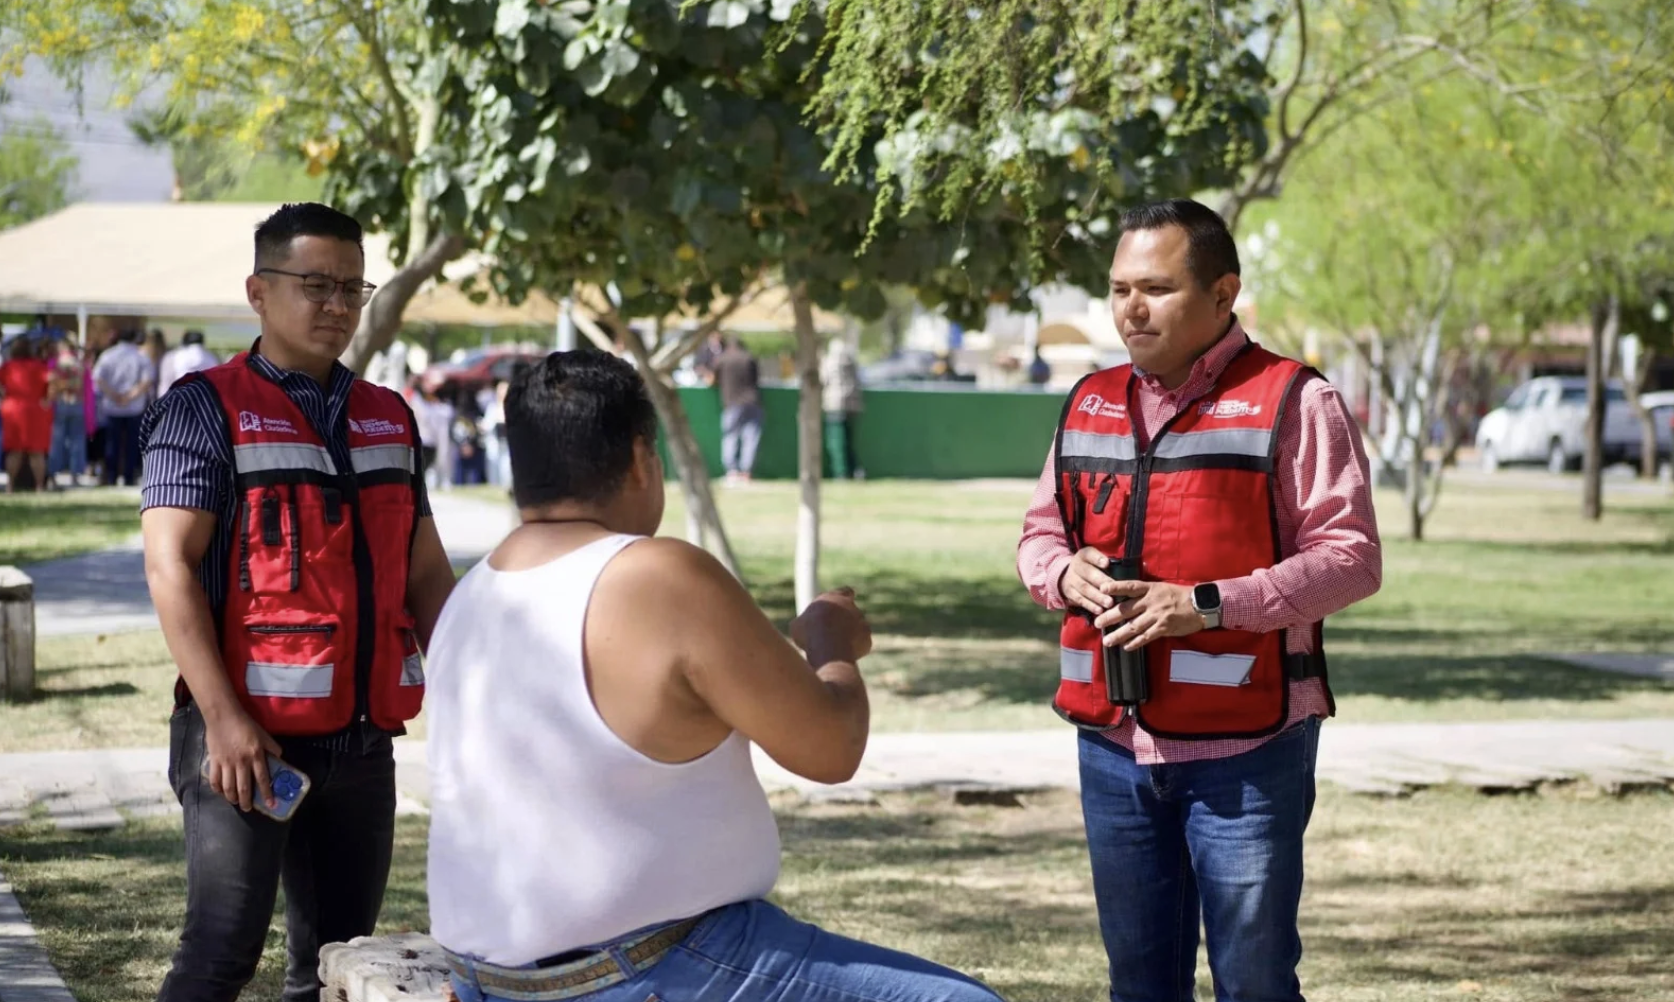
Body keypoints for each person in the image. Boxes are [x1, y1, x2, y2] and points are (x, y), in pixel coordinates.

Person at [425, 351, 1004, 1002]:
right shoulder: (657, 576)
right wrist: (829, 642)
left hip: (488, 980)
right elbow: (832, 746)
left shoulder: (472, 596)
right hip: (647, 970)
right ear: (643, 459)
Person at [1015, 199, 1382, 1002]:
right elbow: (1038, 535)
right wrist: (1060, 573)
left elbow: (1352, 560)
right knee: (1139, 983)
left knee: (1253, 982)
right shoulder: (1087, 400)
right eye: (1117, 289)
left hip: (1247, 753)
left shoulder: (1295, 400)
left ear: (1224, 295)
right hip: (1112, 746)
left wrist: (1208, 605)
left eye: (1155, 287)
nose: (1130, 309)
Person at [139, 202, 458, 1002]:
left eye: (353, 288)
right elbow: (169, 567)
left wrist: (471, 686)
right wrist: (223, 719)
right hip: (242, 742)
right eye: (315, 285)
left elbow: (424, 572)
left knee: (339, 969)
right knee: (218, 957)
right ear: (258, 290)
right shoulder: (201, 408)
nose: (337, 306)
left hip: (363, 747)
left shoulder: (389, 414)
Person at [93, 328, 155, 486]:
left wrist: (114, 395)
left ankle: (112, 476)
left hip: (112, 405)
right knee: (132, 443)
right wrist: (130, 396)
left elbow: (98, 378)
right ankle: (128, 476)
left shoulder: (108, 355)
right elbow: (146, 381)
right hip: (134, 406)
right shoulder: (141, 356)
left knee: (111, 443)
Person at [0, 335, 52, 492]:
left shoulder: (8, 367)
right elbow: (52, 381)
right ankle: (39, 486)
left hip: (13, 409)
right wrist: (47, 399)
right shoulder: (39, 366)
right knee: (36, 451)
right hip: (36, 410)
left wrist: (4, 399)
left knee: (14, 450)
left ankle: (10, 486)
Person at [712, 336, 763, 483]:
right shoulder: (749, 358)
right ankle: (746, 473)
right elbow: (757, 379)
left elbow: (713, 379)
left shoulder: (722, 359)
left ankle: (732, 472)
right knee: (751, 438)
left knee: (730, 436)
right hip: (753, 401)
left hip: (732, 402)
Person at [821, 336, 863, 480]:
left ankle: (840, 472)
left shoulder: (830, 362)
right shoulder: (852, 362)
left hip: (834, 405)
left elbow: (822, 379)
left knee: (836, 442)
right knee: (849, 441)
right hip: (852, 405)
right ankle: (854, 470)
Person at [47, 338, 88, 487]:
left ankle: (52, 475)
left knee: (56, 441)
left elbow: (52, 383)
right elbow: (82, 386)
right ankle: (75, 475)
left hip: (60, 403)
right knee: (77, 441)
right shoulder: (78, 364)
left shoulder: (56, 363)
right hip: (77, 404)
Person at [158, 330, 220, 396]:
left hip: (179, 397)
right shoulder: (212, 357)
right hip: (205, 398)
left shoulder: (173, 356)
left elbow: (165, 383)